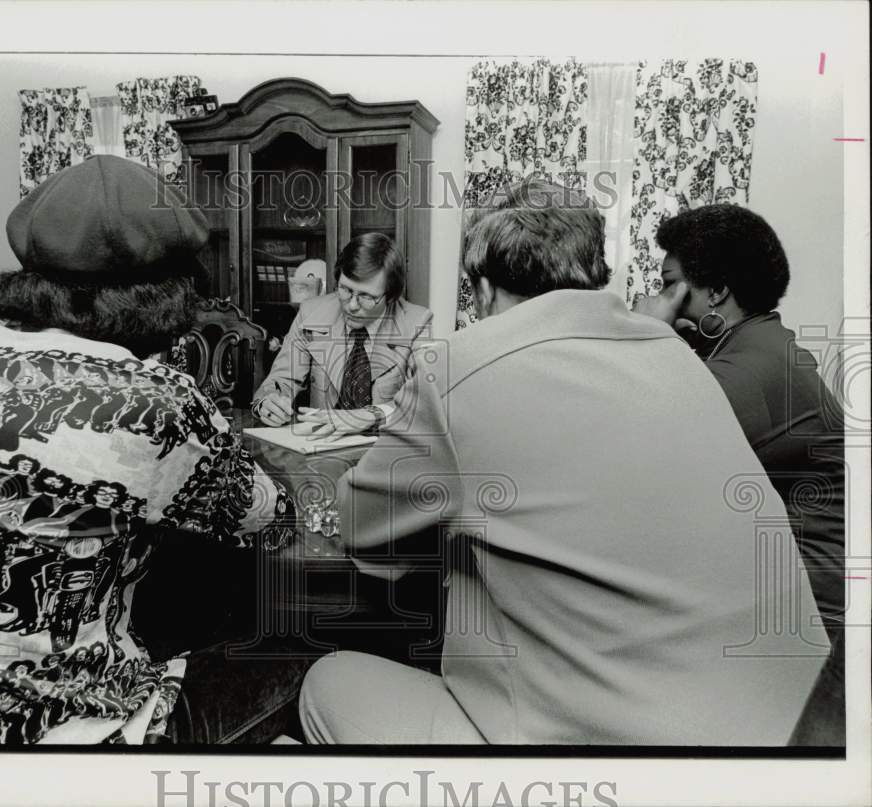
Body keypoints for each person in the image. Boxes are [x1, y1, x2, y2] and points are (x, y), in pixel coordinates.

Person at [298, 177, 829, 745]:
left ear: (480, 290)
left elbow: (358, 522)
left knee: (328, 681)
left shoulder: (457, 363)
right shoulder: (681, 356)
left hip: (640, 763)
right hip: (805, 724)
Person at [0, 155, 293, 745]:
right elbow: (267, 517)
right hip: (48, 738)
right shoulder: (156, 402)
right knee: (294, 655)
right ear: (173, 295)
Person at [634, 203, 846, 744]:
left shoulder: (750, 371)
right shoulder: (762, 344)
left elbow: (638, 446)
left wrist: (643, 334)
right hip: (788, 591)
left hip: (815, 625)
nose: (663, 298)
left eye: (671, 284)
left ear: (717, 291)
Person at [251, 232, 432, 436]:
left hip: (383, 452)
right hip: (319, 448)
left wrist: (372, 415)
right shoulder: (310, 313)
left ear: (390, 296)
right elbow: (281, 380)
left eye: (366, 296)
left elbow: (426, 403)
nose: (352, 305)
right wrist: (267, 403)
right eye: (345, 290)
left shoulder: (417, 323)